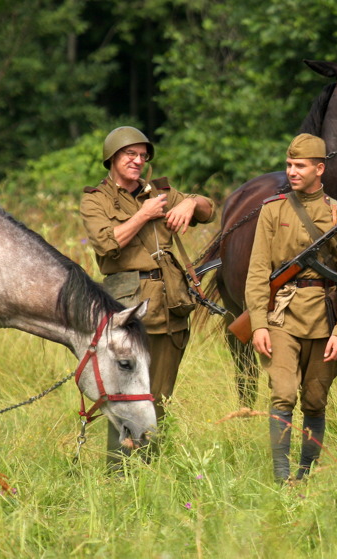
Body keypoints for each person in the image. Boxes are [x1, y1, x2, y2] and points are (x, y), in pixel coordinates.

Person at [80, 126, 215, 467]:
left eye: (143, 156)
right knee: (125, 395)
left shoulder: (159, 191)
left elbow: (209, 210)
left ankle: (151, 470)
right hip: (127, 308)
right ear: (112, 158)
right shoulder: (95, 199)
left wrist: (191, 205)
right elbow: (107, 243)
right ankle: (118, 473)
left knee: (160, 395)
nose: (138, 161)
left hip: (170, 303)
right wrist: (144, 215)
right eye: (130, 155)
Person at [245, 133, 337, 483]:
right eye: (289, 165)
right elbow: (257, 271)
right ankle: (282, 480)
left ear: (319, 169)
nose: (292, 171)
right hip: (281, 315)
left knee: (314, 400)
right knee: (282, 393)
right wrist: (258, 324)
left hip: (325, 319)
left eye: (300, 166)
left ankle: (304, 476)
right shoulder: (272, 210)